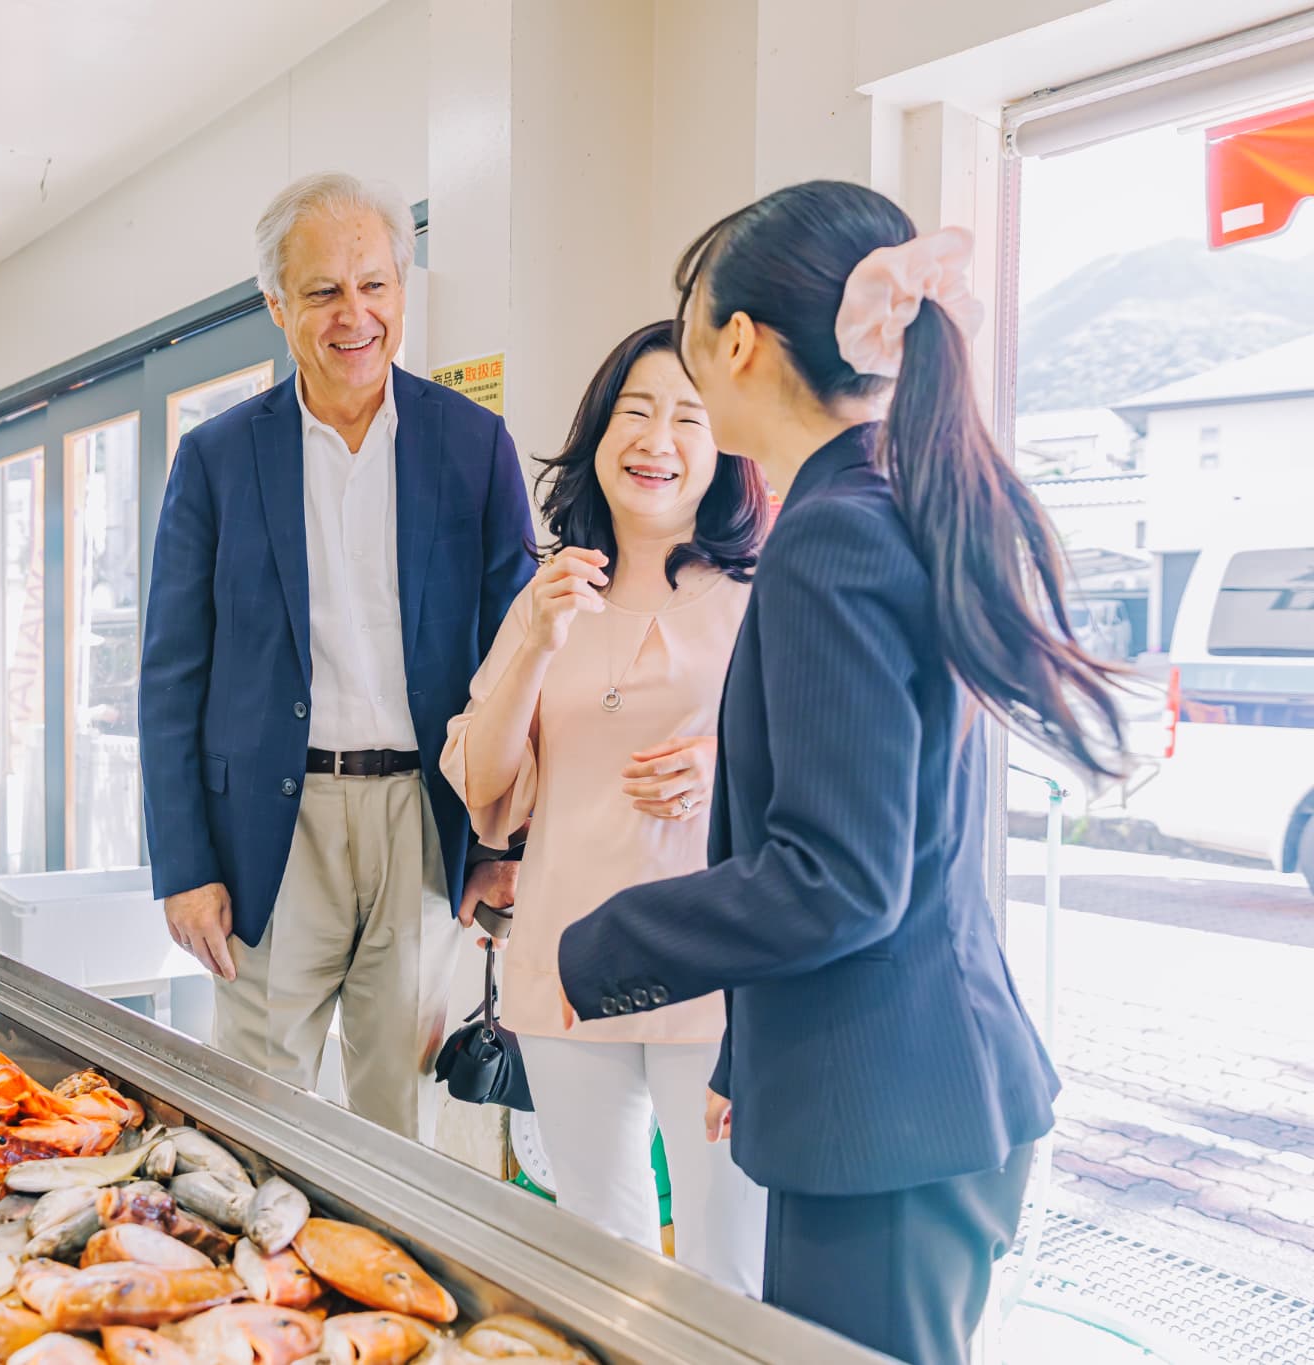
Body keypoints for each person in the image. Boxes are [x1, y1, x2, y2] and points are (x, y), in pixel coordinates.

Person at [556, 181, 1130, 1365]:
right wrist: (742, 1054)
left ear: (734, 342)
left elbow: (836, 876)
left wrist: (603, 943)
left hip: (890, 1121)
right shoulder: (882, 501)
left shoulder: (831, 535)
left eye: (686, 324)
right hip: (902, 1099)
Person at [139, 172, 536, 1142]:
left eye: (374, 285)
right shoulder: (218, 458)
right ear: (278, 307)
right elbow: (169, 672)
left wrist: (500, 844)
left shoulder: (473, 446)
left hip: (424, 822)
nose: (352, 314)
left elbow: (517, 657)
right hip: (274, 833)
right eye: (321, 292)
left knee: (400, 1119)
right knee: (255, 1108)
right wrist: (181, 863)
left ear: (403, 291)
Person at [440, 322, 772, 1294]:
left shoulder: (757, 595)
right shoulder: (548, 596)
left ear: (722, 450)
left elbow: (814, 766)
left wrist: (719, 768)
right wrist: (538, 639)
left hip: (714, 975)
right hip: (565, 962)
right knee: (597, 1250)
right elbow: (481, 789)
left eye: (685, 416)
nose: (655, 439)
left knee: (724, 1263)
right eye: (633, 412)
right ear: (596, 434)